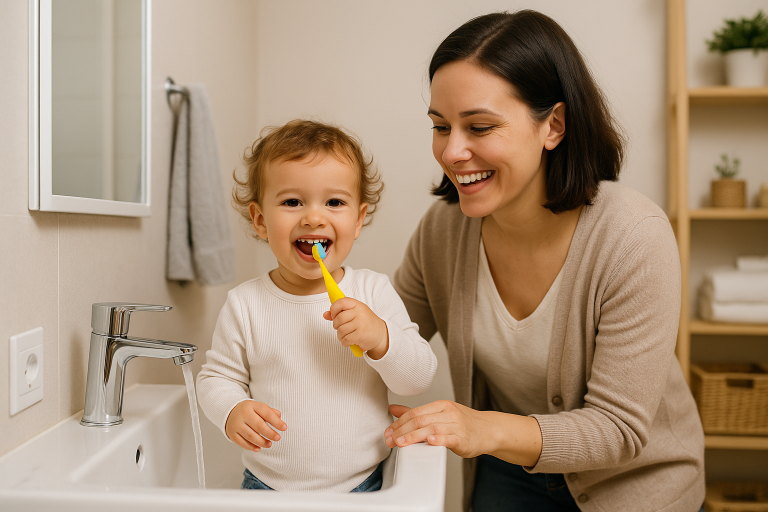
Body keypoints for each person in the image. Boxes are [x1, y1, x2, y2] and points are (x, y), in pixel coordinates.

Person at [385, 10, 705, 512]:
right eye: (441, 127)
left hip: (631, 482)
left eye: (480, 126)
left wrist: (477, 426)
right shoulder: (443, 231)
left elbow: (617, 429)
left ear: (553, 125)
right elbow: (388, 344)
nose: (452, 152)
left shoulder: (633, 237)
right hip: (507, 472)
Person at [197, 119, 438, 493]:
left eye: (334, 202)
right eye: (292, 202)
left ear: (358, 219)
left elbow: (418, 378)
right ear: (260, 220)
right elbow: (215, 379)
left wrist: (381, 338)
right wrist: (231, 411)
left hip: (363, 486)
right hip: (267, 487)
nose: (313, 216)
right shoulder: (245, 304)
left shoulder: (373, 291)